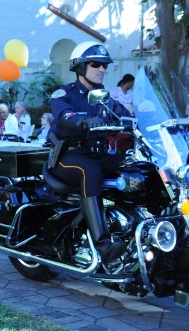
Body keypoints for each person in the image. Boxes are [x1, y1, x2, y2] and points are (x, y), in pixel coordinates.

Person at [49, 41, 132, 266]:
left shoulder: (104, 99)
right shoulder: (63, 95)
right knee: (90, 171)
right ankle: (104, 245)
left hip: (98, 153)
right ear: (80, 67)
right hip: (68, 157)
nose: (102, 69)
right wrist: (84, 121)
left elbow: (127, 118)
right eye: (96, 64)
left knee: (137, 170)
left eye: (104, 65)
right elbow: (65, 116)